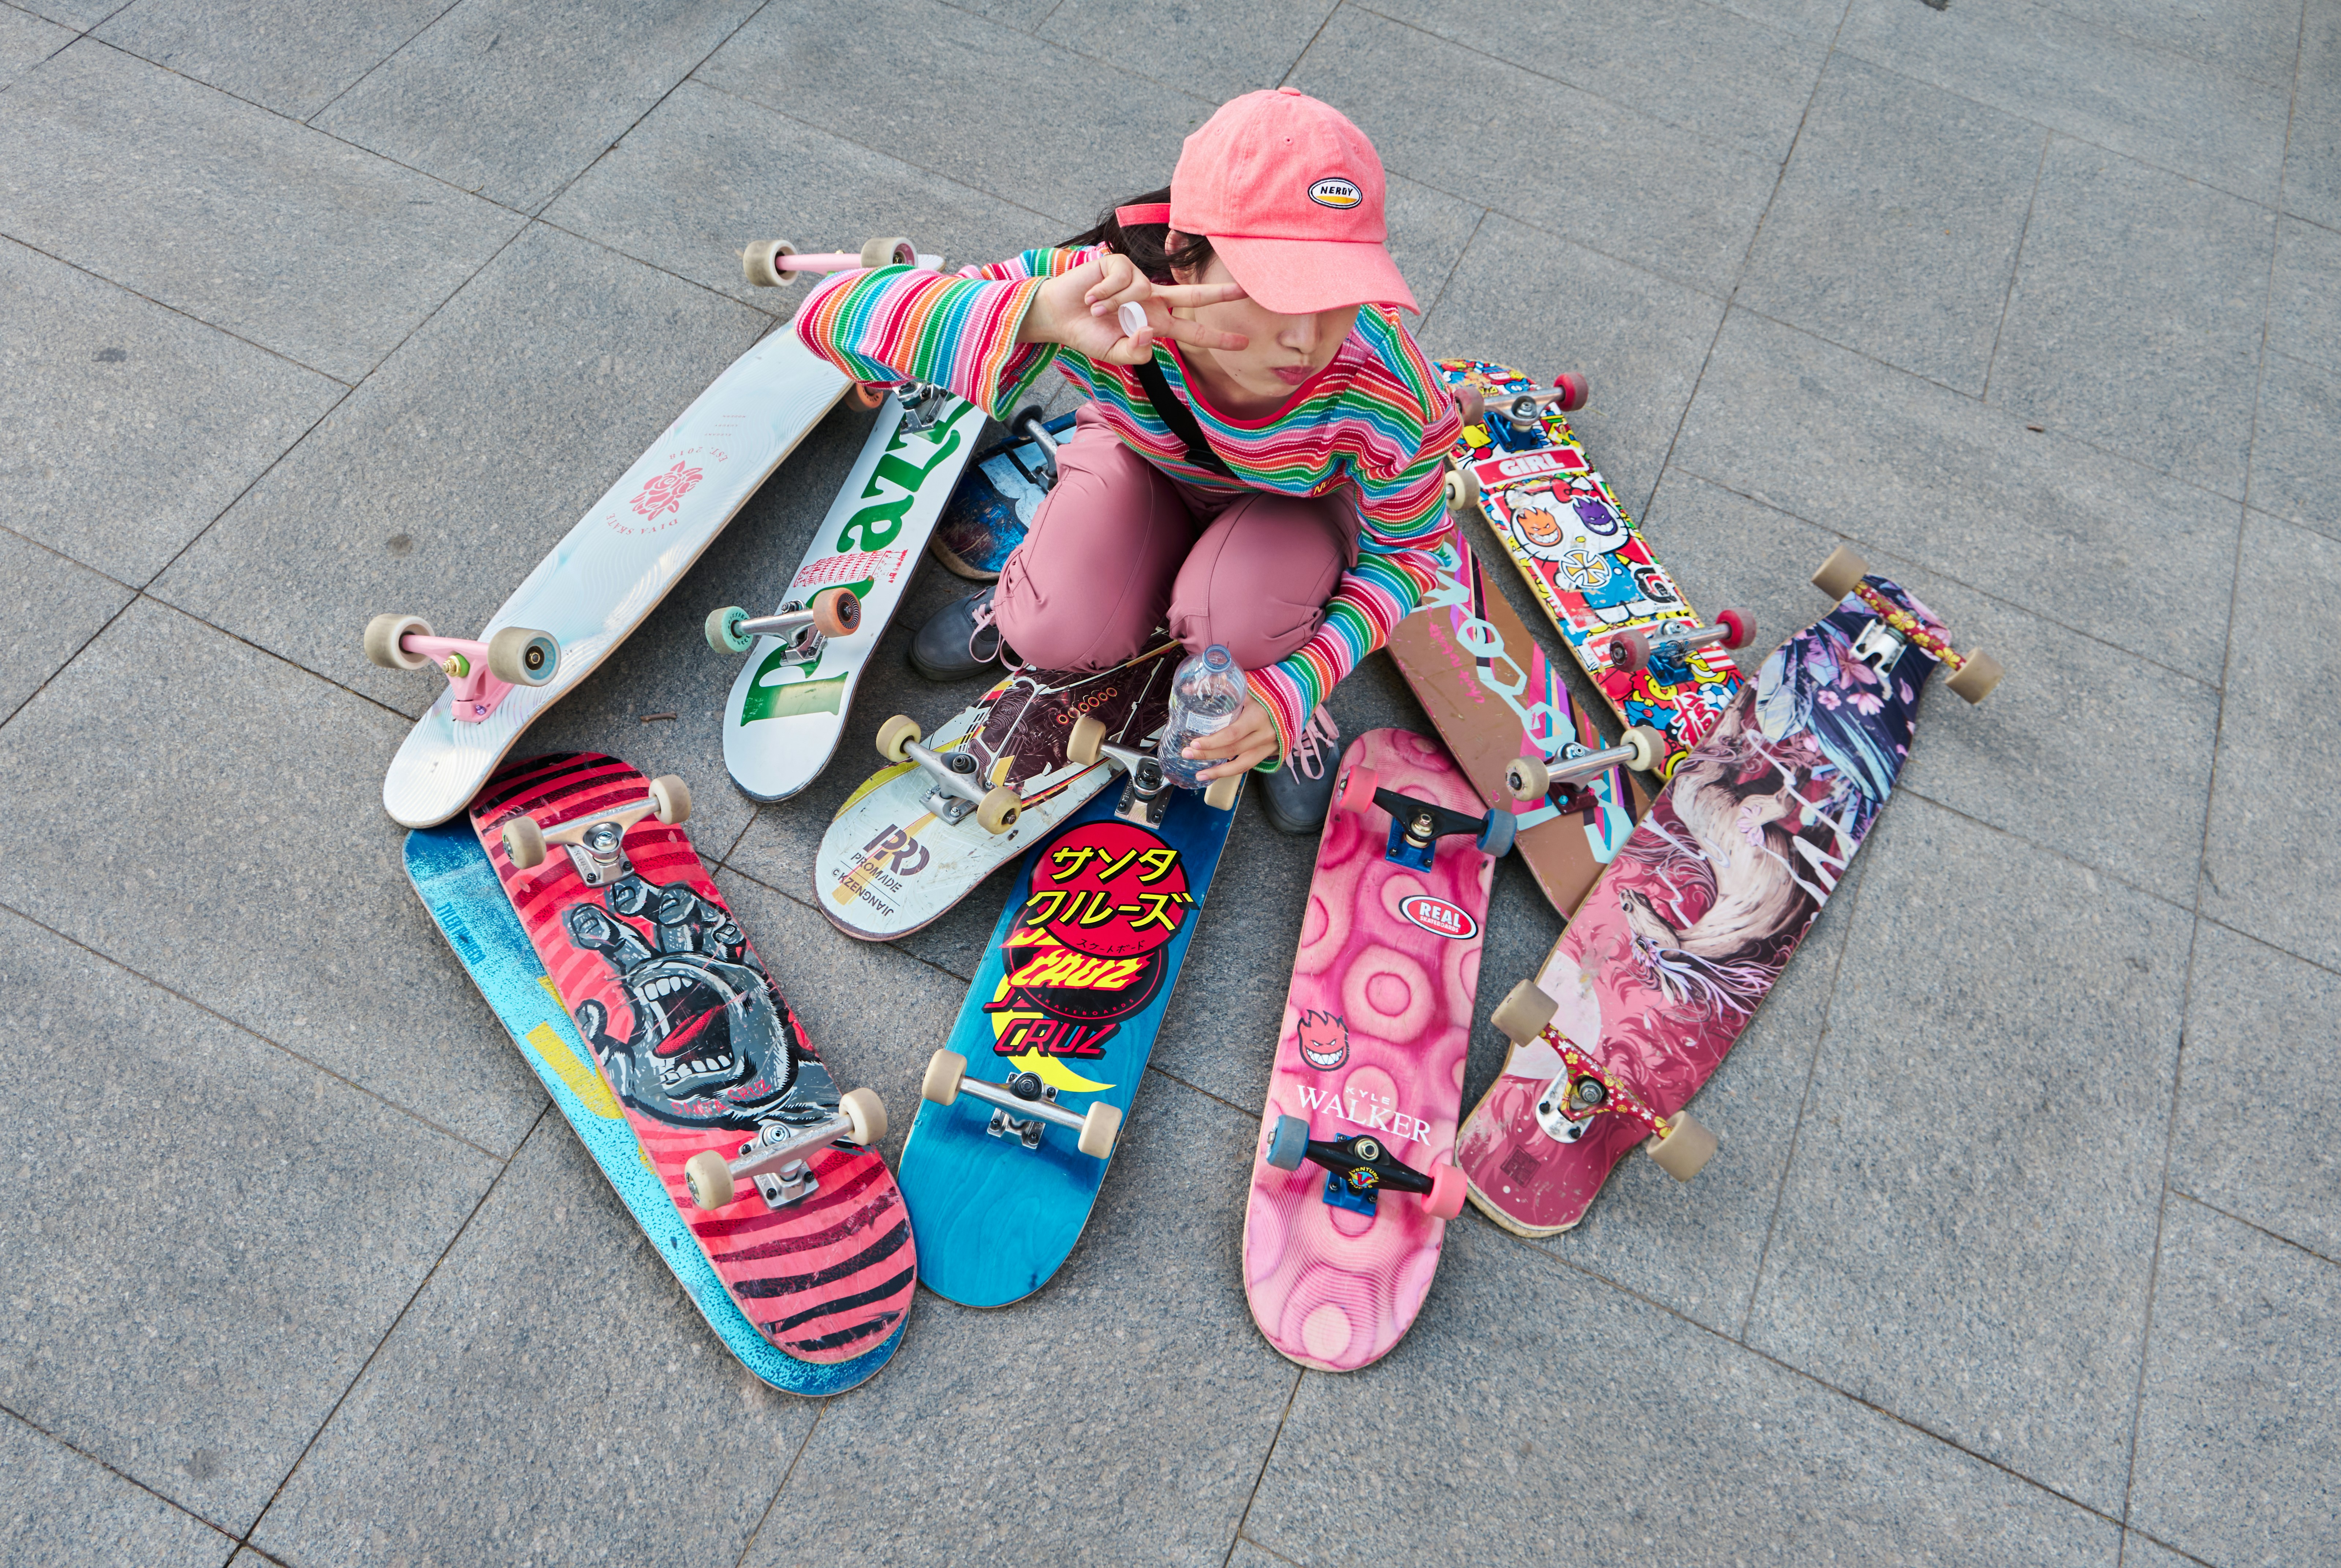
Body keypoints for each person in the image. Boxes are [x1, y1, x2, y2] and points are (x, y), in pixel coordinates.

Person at [791, 86, 1459, 832]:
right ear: (1184, 253)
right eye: (1276, 289)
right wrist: (1039, 313)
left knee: (1234, 637)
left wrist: (1297, 685)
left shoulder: (1389, 388)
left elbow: (1410, 555)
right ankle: (1026, 598)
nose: (1307, 339)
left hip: (1294, 503)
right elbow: (829, 319)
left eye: (1340, 292)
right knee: (1054, 632)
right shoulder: (1104, 290)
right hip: (1146, 461)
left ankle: (1283, 686)